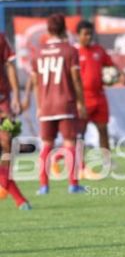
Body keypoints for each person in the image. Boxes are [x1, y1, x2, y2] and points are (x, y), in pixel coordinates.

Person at [28, 14, 88, 195]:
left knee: (46, 144)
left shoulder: (37, 52)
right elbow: (76, 79)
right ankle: (73, 184)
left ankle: (43, 186)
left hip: (46, 105)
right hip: (65, 103)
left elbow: (36, 82)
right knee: (70, 143)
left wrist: (38, 105)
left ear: (48, 30)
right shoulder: (69, 50)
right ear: (64, 29)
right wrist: (81, 102)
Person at [75, 20, 125, 178]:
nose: (89, 36)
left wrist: (122, 74)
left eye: (90, 33)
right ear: (78, 35)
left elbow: (111, 65)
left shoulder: (98, 50)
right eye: (85, 34)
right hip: (83, 98)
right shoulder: (75, 52)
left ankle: (107, 161)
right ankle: (80, 165)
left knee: (103, 130)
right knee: (80, 133)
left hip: (99, 96)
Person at [0, 32, 31, 210]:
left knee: (6, 142)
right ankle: (19, 199)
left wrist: (16, 96)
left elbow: (9, 66)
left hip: (3, 99)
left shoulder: (1, 38)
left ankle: (3, 185)